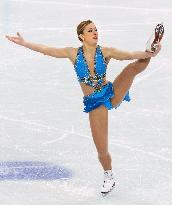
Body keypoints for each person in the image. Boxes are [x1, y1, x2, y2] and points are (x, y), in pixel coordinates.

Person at [5, 19, 162, 195]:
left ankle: (151, 47)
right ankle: (108, 175)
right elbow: (47, 50)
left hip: (110, 92)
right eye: (90, 31)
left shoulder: (106, 51)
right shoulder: (72, 53)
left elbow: (131, 54)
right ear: (81, 36)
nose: (95, 32)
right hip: (95, 103)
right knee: (102, 150)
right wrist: (25, 43)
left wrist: (150, 53)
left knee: (131, 69)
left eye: (95, 29)